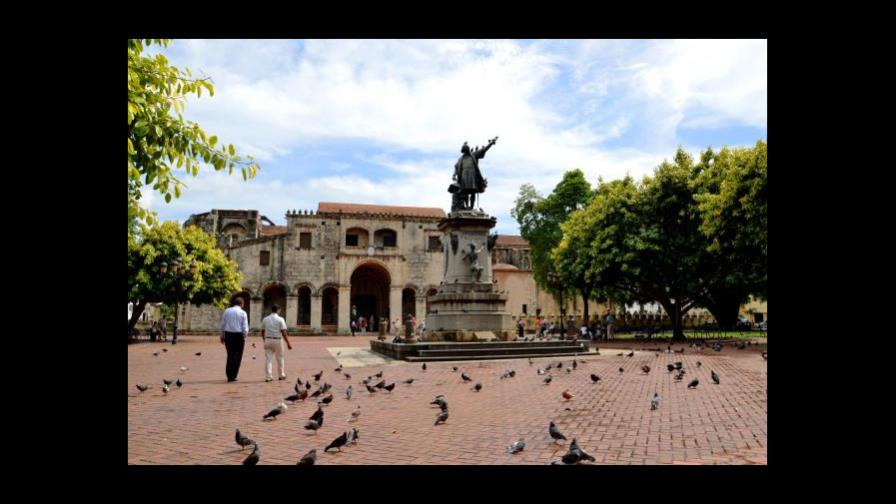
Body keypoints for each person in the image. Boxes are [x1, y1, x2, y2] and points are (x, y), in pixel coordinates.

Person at [260, 304, 292, 382]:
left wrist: (265, 340)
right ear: (278, 310)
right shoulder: (280, 319)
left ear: (272, 310)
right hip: (278, 340)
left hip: (268, 339)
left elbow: (262, 331)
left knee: (268, 359)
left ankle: (268, 376)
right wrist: (288, 343)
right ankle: (281, 375)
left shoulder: (265, 319)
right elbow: (283, 332)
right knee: (280, 358)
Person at [220, 297, 249, 382]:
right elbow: (245, 326)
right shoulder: (243, 313)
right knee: (238, 355)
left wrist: (222, 336)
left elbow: (223, 324)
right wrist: (244, 336)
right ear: (242, 304)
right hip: (238, 335)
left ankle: (229, 375)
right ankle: (234, 374)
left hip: (228, 334)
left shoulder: (227, 311)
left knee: (230, 354)